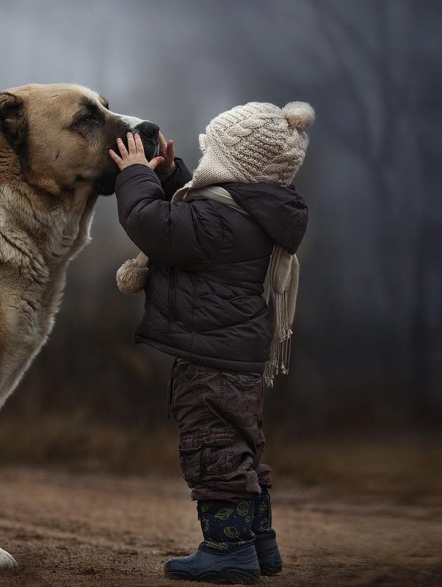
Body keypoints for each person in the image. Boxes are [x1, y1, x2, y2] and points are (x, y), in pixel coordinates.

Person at [108, 102, 314, 584]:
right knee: (241, 447)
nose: (203, 164)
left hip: (211, 359)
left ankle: (227, 551)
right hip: (236, 355)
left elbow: (150, 222)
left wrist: (135, 174)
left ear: (233, 165)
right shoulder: (247, 213)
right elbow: (189, 216)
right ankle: (259, 544)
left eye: (210, 154)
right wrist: (169, 174)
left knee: (212, 448)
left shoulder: (219, 224)